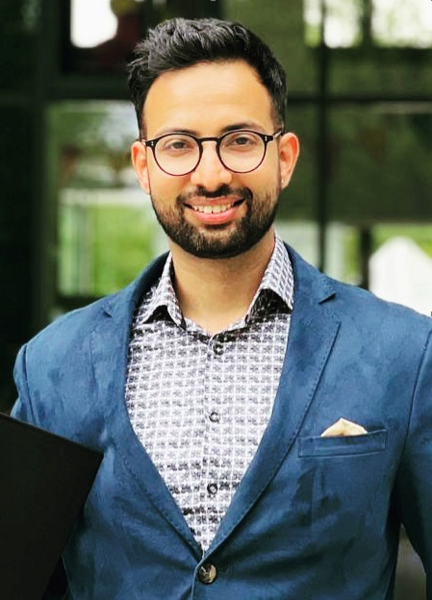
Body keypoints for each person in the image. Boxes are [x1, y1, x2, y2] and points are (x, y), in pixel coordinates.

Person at [12, 17, 432, 600]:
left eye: (239, 140)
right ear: (143, 166)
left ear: (284, 157)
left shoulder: (404, 353)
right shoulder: (52, 365)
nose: (211, 175)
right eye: (178, 145)